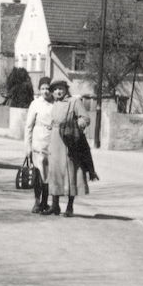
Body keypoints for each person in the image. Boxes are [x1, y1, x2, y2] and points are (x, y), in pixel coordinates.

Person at [44, 80, 91, 217]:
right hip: (55, 140)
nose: (58, 91)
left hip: (69, 141)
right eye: (55, 89)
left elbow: (86, 118)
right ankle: (55, 205)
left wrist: (76, 125)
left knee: (71, 172)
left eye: (61, 88)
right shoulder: (55, 104)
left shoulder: (74, 102)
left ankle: (70, 207)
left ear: (66, 89)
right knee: (54, 172)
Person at [24, 76, 54, 214]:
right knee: (38, 174)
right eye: (43, 88)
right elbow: (28, 127)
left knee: (47, 175)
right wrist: (28, 147)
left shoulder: (55, 103)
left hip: (51, 143)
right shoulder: (35, 104)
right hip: (38, 142)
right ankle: (36, 202)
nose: (45, 91)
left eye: (48, 88)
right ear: (39, 90)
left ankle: (44, 202)